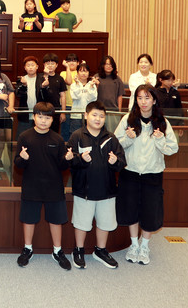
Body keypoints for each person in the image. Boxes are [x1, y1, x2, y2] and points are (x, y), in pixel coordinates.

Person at [115, 84, 179, 266]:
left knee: (150, 210)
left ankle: (145, 246)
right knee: (131, 209)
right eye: (140, 98)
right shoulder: (128, 119)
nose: (143, 102)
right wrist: (128, 138)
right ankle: (134, 245)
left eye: (147, 98)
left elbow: (172, 149)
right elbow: (116, 144)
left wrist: (160, 140)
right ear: (135, 100)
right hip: (130, 172)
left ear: (154, 100)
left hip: (152, 173)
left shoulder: (162, 122)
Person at [66, 101, 126, 269]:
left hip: (107, 190)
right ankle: (78, 250)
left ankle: (100, 250)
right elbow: (68, 162)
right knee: (81, 223)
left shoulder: (111, 138)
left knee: (105, 223)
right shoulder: (77, 136)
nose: (98, 119)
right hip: (83, 191)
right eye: (94, 115)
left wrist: (115, 161)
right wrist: (80, 159)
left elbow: (122, 162)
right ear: (86, 115)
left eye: (101, 116)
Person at [14, 102, 71, 270]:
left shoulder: (58, 139)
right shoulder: (25, 137)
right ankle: (27, 249)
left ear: (52, 120)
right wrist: (23, 158)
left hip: (54, 186)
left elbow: (62, 166)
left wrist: (67, 160)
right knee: (29, 219)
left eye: (47, 118)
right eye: (40, 117)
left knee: (56, 220)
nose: (43, 121)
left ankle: (57, 251)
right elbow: (18, 164)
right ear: (34, 117)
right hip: (31, 185)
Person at [37, 53, 67, 135]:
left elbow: (63, 96)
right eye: (48, 63)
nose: (50, 65)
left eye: (52, 63)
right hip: (41, 110)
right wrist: (46, 76)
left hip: (55, 110)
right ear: (44, 65)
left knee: (54, 133)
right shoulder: (39, 77)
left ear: (56, 65)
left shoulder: (60, 79)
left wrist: (63, 112)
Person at [68, 60, 99, 136]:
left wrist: (91, 87)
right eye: (81, 71)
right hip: (76, 115)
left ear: (88, 73)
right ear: (77, 73)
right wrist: (77, 84)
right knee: (75, 135)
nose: (83, 73)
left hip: (88, 115)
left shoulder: (92, 85)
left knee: (88, 135)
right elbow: (76, 97)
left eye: (85, 71)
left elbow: (93, 99)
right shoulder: (73, 85)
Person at [96, 56, 125, 133]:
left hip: (113, 111)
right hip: (99, 110)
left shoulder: (117, 79)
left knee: (112, 133)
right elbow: (92, 94)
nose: (109, 66)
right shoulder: (97, 77)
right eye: (106, 64)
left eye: (110, 64)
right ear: (102, 65)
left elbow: (120, 96)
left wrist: (119, 111)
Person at [14, 55, 41, 136]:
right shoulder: (21, 80)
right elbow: (18, 95)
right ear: (25, 68)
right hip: (25, 114)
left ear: (37, 67)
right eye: (28, 65)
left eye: (32, 65)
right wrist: (24, 85)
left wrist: (44, 87)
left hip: (39, 114)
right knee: (23, 136)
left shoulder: (42, 79)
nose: (30, 67)